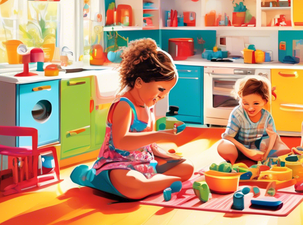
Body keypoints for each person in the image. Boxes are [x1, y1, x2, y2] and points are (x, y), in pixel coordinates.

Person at [71, 38, 194, 199]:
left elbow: (148, 143)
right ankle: (91, 177)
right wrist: (161, 134)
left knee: (187, 168)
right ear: (139, 82)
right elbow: (121, 141)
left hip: (144, 162)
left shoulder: (147, 104)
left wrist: (166, 156)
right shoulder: (124, 105)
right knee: (133, 186)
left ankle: (156, 181)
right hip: (118, 164)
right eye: (161, 89)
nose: (163, 96)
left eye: (166, 92)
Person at [217, 75, 290, 164]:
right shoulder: (238, 114)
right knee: (224, 147)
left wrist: (266, 154)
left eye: (256, 103)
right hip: (238, 148)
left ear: (265, 101)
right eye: (246, 103)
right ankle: (233, 162)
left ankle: (264, 158)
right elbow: (227, 136)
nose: (250, 108)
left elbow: (273, 136)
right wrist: (247, 152)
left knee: (283, 149)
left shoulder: (267, 116)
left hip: (258, 149)